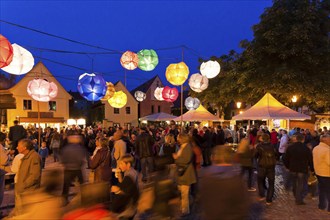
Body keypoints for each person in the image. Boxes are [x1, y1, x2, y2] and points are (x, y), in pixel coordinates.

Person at [199, 145, 250, 220]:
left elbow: (203, 199)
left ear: (213, 157)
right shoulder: (236, 179)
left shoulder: (206, 176)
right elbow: (242, 207)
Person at [283, 133, 314, 205]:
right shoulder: (306, 148)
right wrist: (312, 169)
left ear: (296, 139)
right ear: (303, 140)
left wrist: (288, 166)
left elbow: (285, 158)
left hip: (293, 168)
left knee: (294, 182)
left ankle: (296, 195)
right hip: (302, 168)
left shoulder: (290, 147)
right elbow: (310, 160)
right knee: (300, 184)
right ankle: (298, 199)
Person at [14, 139, 42, 215]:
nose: (17, 148)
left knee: (27, 213)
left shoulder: (34, 157)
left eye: (18, 146)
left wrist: (24, 185)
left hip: (28, 191)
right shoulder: (26, 156)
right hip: (24, 190)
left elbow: (35, 175)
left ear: (25, 148)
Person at [173, 133, 196, 217]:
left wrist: (176, 158)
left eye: (178, 138)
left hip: (186, 173)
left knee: (184, 193)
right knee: (183, 192)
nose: (177, 139)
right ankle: (185, 206)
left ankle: (185, 210)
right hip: (183, 173)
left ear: (182, 138)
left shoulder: (187, 147)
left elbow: (185, 160)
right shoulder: (184, 146)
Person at [60, 132, 87, 204]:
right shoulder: (80, 148)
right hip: (77, 168)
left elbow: (62, 158)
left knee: (66, 185)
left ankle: (64, 199)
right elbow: (82, 158)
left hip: (68, 169)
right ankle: (85, 198)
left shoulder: (66, 148)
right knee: (82, 184)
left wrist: (65, 164)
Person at [111, 154, 139, 219]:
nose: (119, 166)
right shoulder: (128, 172)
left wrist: (117, 190)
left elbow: (129, 192)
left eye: (121, 163)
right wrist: (120, 177)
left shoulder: (131, 175)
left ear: (128, 165)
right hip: (130, 206)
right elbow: (125, 186)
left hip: (129, 207)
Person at [254, 133, 278, 205]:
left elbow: (255, 155)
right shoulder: (272, 146)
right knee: (271, 183)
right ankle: (269, 200)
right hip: (271, 166)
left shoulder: (259, 146)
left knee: (260, 181)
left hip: (262, 166)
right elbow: (276, 155)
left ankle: (262, 195)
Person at [312, 134, 330, 212]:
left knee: (321, 190)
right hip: (326, 173)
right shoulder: (327, 150)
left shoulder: (316, 148)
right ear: (326, 140)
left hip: (318, 172)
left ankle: (321, 206)